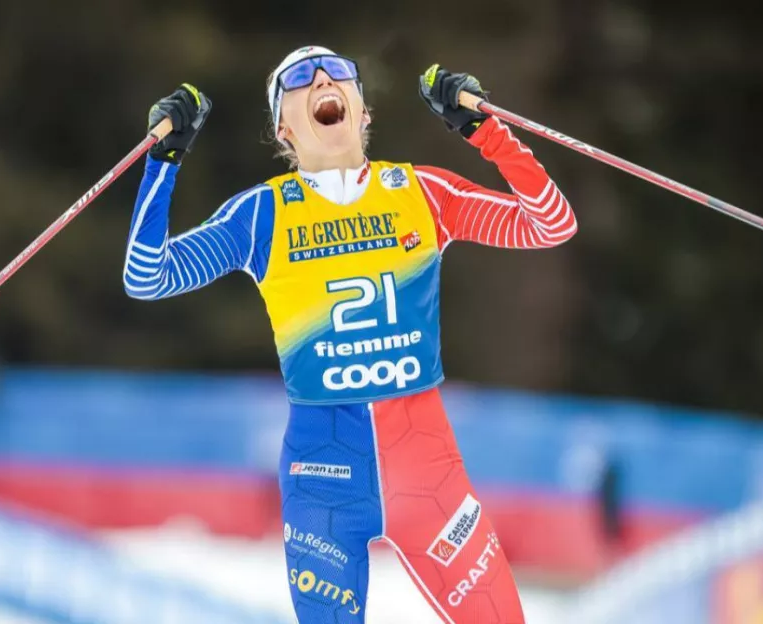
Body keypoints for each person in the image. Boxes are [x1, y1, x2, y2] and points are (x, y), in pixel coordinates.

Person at [124, 45, 577, 624]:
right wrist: (164, 159)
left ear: (363, 112)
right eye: (297, 79)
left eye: (339, 73)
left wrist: (485, 131)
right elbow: (147, 275)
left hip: (431, 483)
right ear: (283, 128)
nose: (320, 79)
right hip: (324, 487)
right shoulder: (261, 214)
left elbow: (551, 224)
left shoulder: (422, 192)